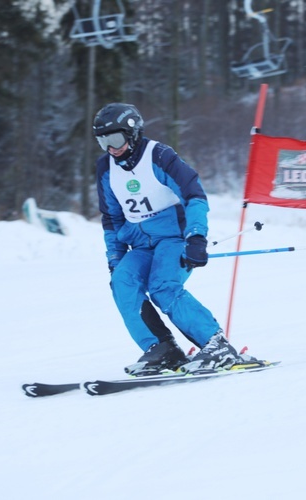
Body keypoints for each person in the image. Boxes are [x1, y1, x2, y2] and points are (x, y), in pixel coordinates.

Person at [94, 102, 240, 375]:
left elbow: (194, 195)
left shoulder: (159, 156)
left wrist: (196, 237)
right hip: (139, 243)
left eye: (114, 139)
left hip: (174, 238)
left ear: (133, 132)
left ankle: (216, 344)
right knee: (122, 281)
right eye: (103, 141)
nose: (110, 148)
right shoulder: (106, 168)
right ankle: (162, 349)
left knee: (162, 286)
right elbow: (111, 219)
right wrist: (115, 256)